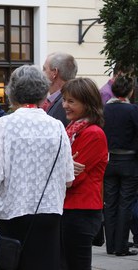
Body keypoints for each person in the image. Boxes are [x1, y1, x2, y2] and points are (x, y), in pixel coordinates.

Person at [0, 65, 74, 270]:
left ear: (12, 92)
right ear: (43, 91)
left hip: (12, 212)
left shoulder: (4, 124)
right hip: (49, 212)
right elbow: (68, 179)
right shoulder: (57, 125)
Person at [61, 77, 109, 269]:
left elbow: (71, 180)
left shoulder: (93, 133)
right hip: (71, 209)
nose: (65, 105)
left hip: (81, 211)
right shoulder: (73, 130)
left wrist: (61, 168)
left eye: (71, 101)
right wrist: (63, 165)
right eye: (64, 99)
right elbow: (65, 170)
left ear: (88, 104)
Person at [102, 75, 138, 256]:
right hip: (129, 162)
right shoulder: (133, 110)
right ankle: (121, 245)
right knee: (125, 204)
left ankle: (111, 245)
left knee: (110, 204)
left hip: (109, 161)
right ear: (130, 91)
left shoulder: (104, 110)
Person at [42, 52, 78, 127]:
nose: (42, 73)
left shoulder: (64, 104)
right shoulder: (72, 98)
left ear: (55, 72)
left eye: (44, 69)